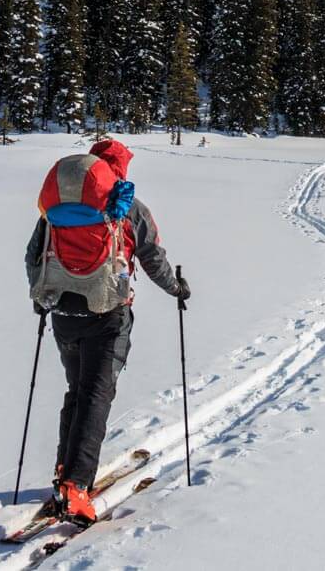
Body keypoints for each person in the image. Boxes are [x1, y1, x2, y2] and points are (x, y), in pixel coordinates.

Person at [25, 138, 188, 523]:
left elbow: (34, 255)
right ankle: (77, 487)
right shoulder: (128, 207)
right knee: (96, 396)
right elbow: (152, 258)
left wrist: (39, 295)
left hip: (62, 311)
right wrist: (177, 289)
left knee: (76, 390)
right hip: (108, 313)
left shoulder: (55, 208)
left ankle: (65, 471)